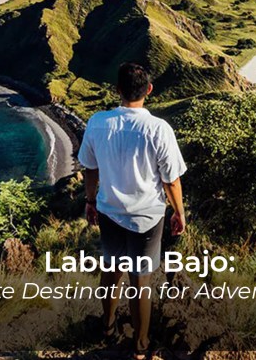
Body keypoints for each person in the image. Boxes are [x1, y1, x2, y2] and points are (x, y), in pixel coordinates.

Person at [78, 62, 187, 360]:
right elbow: (171, 179)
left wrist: (90, 202)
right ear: (149, 90)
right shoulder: (159, 129)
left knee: (111, 271)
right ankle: (140, 348)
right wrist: (179, 212)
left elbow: (90, 168)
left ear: (117, 91)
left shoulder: (98, 122)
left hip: (110, 211)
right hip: (147, 217)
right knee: (141, 282)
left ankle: (108, 326)